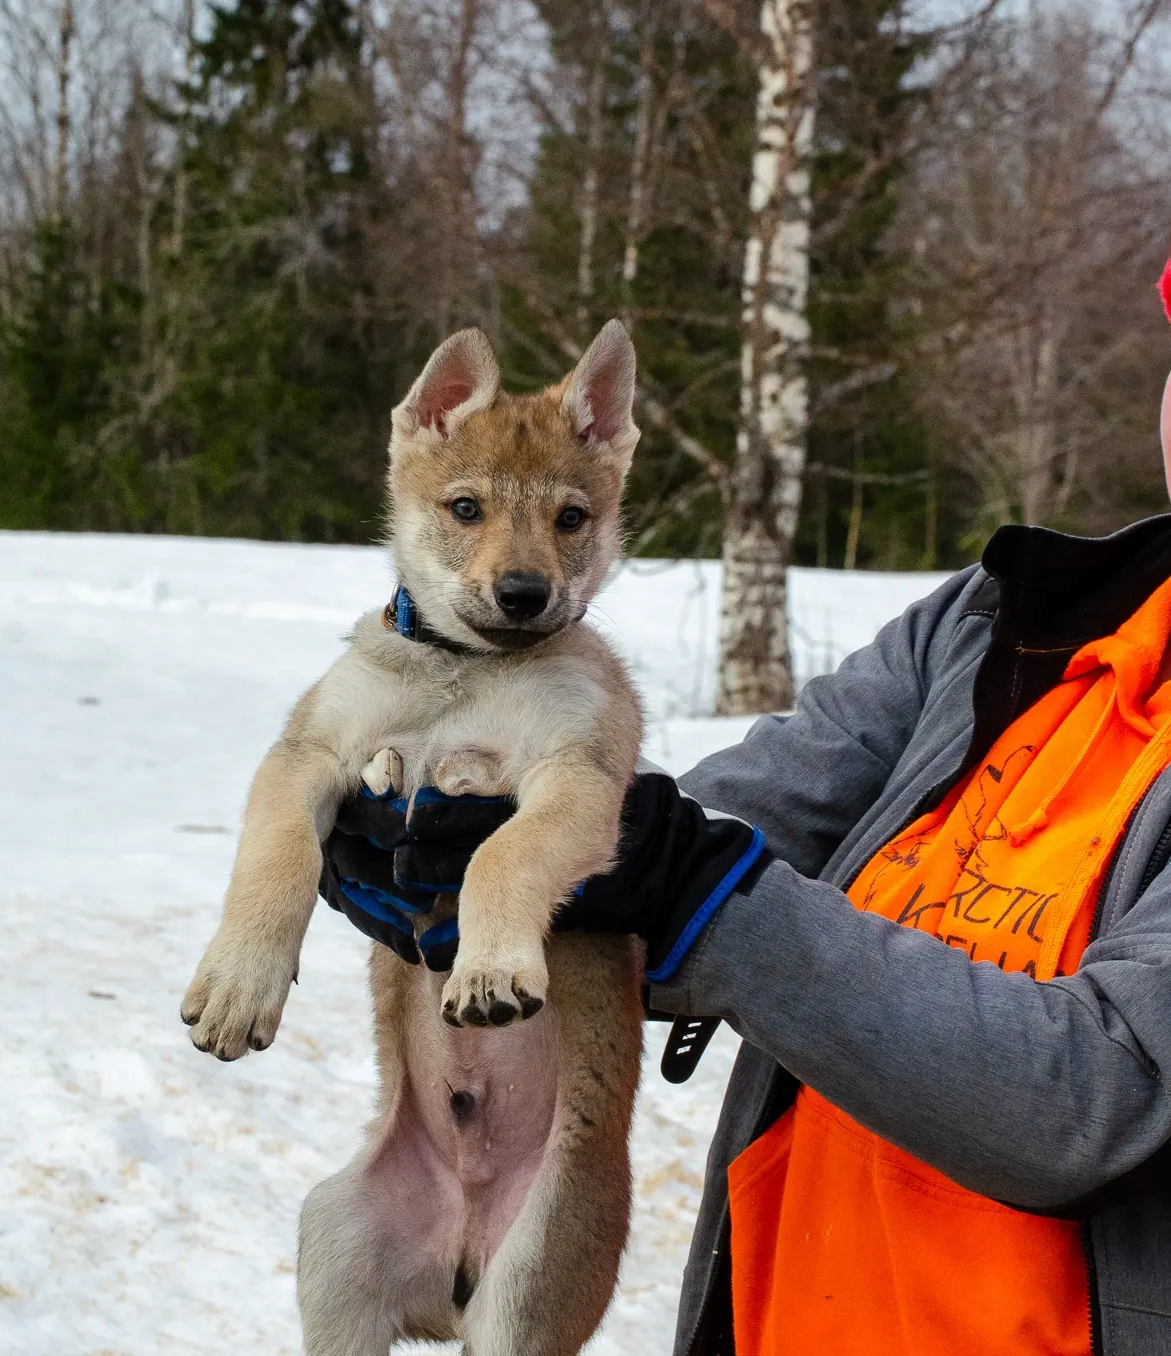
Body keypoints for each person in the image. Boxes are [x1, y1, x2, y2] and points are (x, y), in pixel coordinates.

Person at [318, 269, 1171, 1356]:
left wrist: (696, 897)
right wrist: (489, 848)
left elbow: (1097, 1101)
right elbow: (730, 815)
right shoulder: (1002, 620)